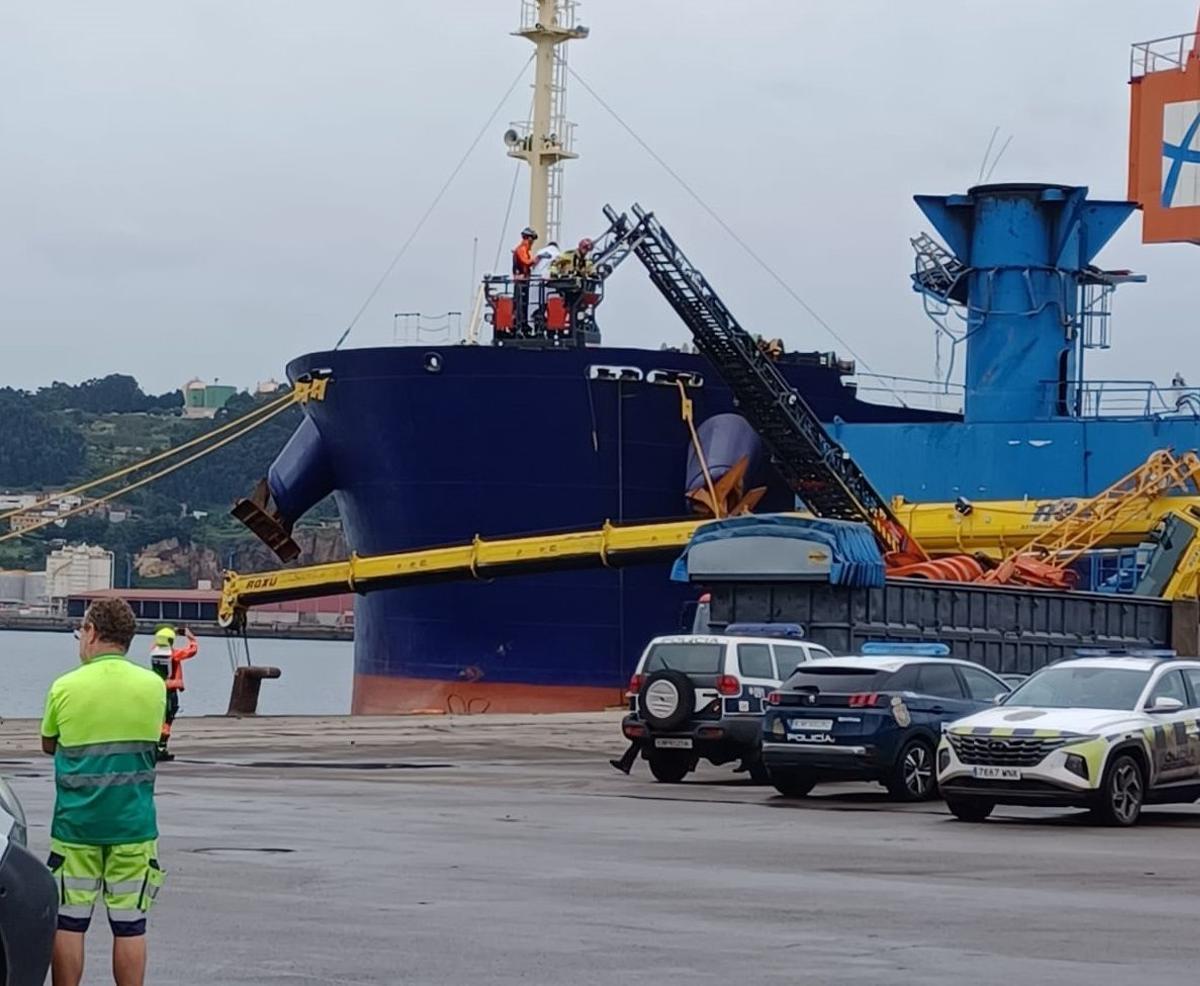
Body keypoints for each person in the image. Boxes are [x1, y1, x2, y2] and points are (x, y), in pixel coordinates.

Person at [41, 598, 168, 986]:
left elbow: (49, 743)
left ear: (92, 632)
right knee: (130, 926)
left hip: (76, 828)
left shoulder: (65, 686)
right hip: (133, 827)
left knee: (69, 922)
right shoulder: (154, 686)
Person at [149, 625, 198, 762]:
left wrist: (170, 632)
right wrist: (191, 637)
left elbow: (156, 643)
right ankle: (161, 748)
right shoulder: (174, 655)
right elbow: (192, 651)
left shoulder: (153, 651)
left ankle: (154, 747)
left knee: (158, 718)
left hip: (157, 688)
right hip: (170, 690)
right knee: (168, 719)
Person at [511, 226, 537, 330]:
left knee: (524, 303)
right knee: (520, 303)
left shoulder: (525, 250)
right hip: (520, 281)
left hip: (524, 280)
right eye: (531, 239)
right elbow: (526, 261)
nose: (532, 242)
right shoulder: (521, 249)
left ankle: (523, 323)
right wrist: (536, 259)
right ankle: (519, 323)